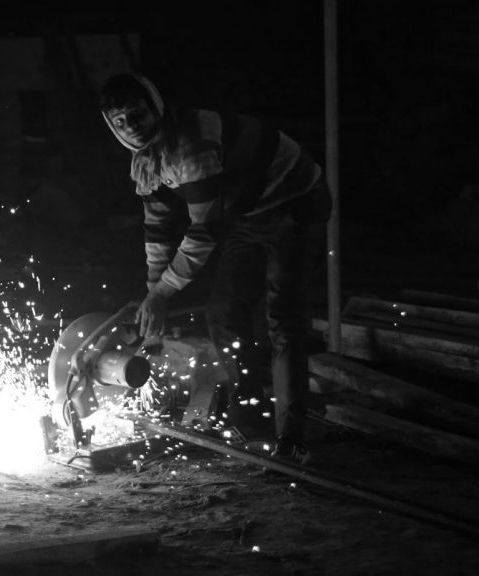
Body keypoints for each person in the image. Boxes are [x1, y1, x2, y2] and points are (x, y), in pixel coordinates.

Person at [99, 72, 330, 464]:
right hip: (249, 213)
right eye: (121, 122)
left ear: (155, 107)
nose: (132, 127)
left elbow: (203, 233)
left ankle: (292, 437)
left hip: (295, 201)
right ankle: (249, 416)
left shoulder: (192, 142)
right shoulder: (146, 163)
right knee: (223, 312)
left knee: (282, 316)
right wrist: (155, 297)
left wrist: (162, 295)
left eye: (137, 114)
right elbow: (157, 232)